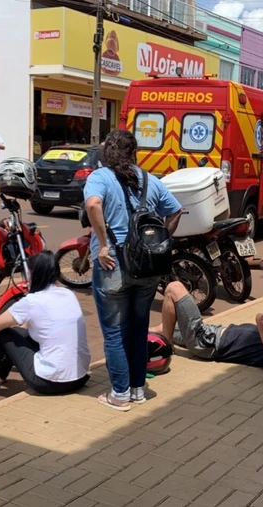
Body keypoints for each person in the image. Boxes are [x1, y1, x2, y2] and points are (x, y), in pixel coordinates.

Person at [84, 129, 182, 411]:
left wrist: (103, 244)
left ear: (106, 152)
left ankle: (119, 394)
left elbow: (93, 204)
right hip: (147, 268)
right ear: (133, 152)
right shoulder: (150, 180)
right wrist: (162, 241)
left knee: (114, 332)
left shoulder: (99, 177)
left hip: (111, 263)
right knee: (138, 330)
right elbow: (175, 211)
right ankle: (138, 389)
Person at [0, 251, 91, 397]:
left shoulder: (32, 301)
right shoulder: (68, 294)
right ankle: (1, 374)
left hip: (51, 384)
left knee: (3, 333)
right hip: (80, 377)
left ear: (35, 274)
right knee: (19, 333)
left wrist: (17, 325)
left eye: (28, 272)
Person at [151, 281, 263, 368]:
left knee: (174, 288)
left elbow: (262, 319)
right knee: (160, 328)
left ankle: (166, 348)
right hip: (212, 333)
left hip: (207, 342)